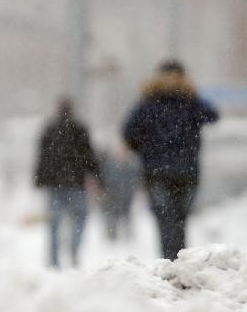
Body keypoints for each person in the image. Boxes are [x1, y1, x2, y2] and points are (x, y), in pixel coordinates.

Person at [122, 59, 218, 260]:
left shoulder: (148, 103)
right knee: (180, 220)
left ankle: (169, 262)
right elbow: (212, 114)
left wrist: (142, 149)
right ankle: (179, 262)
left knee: (165, 220)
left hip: (157, 171)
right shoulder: (190, 102)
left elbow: (129, 132)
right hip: (187, 171)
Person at [34, 97, 103, 268]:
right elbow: (89, 155)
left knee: (54, 223)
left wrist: (39, 180)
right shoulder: (80, 128)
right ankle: (74, 246)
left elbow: (42, 157)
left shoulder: (49, 129)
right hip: (76, 183)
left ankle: (54, 260)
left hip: (54, 184)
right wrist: (98, 177)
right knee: (80, 217)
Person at [96, 145, 141, 241]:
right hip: (113, 196)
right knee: (111, 216)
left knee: (127, 215)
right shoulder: (110, 166)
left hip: (127, 196)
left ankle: (128, 236)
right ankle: (111, 236)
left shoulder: (131, 167)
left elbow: (135, 180)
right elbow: (105, 179)